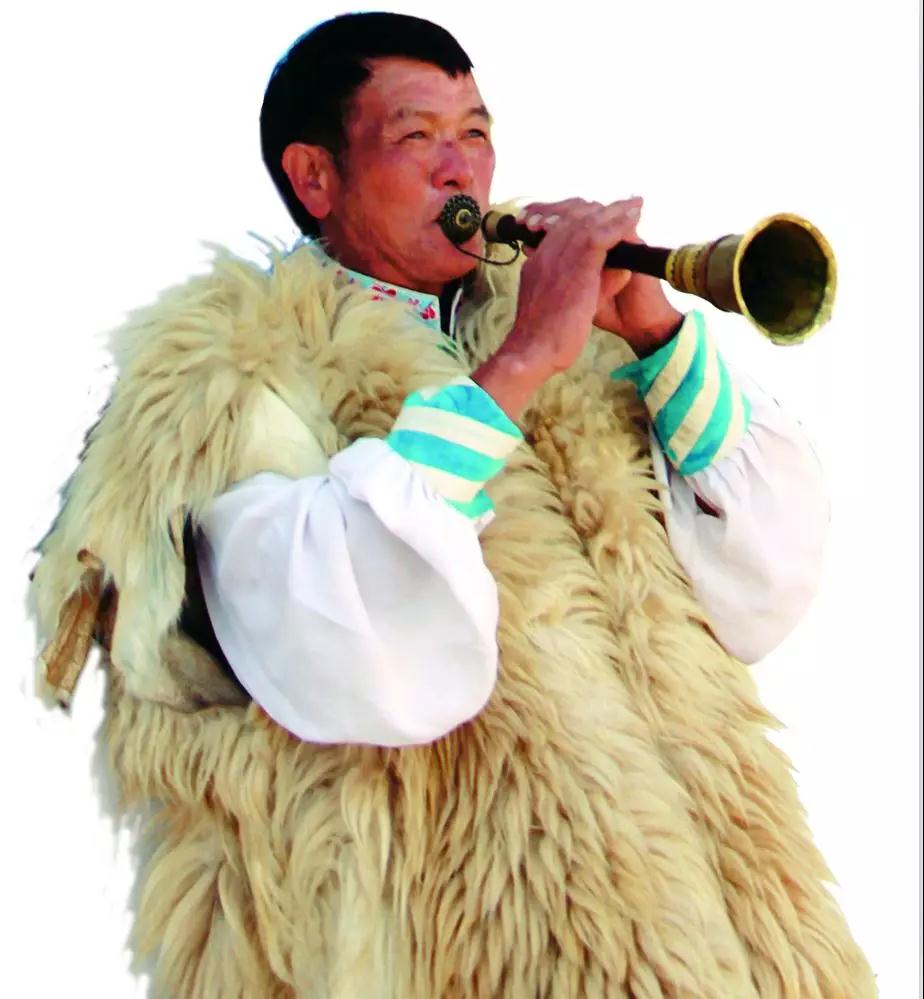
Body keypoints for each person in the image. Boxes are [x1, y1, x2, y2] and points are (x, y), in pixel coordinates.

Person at [30, 11, 875, 997]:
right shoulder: (233, 374)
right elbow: (346, 632)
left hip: (729, 939)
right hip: (461, 953)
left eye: (475, 132)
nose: (461, 169)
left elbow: (767, 576)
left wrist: (652, 331)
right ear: (315, 177)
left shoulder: (578, 340)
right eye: (417, 136)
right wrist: (521, 365)